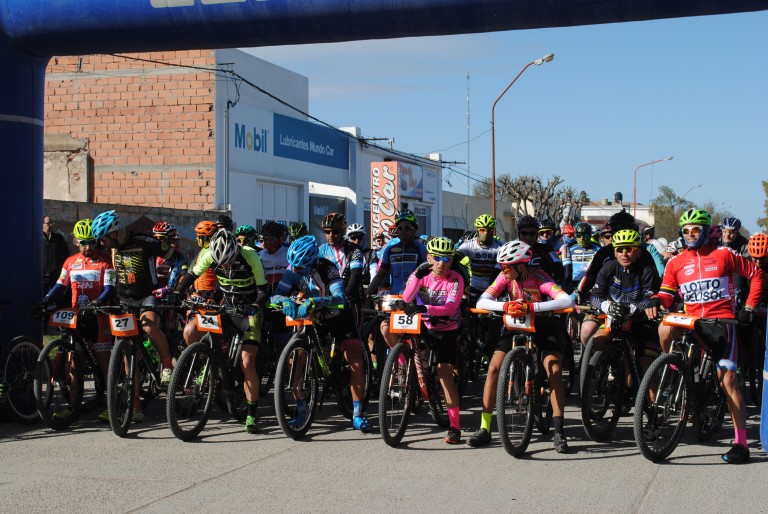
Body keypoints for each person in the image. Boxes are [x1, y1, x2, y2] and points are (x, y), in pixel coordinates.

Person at [645, 208, 764, 464]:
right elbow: (667, 293)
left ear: (706, 231)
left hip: (721, 322)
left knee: (728, 381)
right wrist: (656, 299)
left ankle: (741, 444)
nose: (690, 234)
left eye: (695, 230)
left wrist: (749, 307)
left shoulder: (724, 254)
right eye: (686, 230)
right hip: (692, 321)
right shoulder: (676, 262)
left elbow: (756, 275)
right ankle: (673, 367)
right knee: (664, 328)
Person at [468, 240, 573, 452]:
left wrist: (532, 307)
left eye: (507, 267)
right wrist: (506, 305)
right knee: (493, 368)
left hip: (543, 325)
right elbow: (482, 301)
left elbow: (566, 300)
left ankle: (559, 431)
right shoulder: (504, 277)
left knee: (553, 369)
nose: (503, 270)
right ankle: (484, 428)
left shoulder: (539, 276)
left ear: (521, 266)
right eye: (502, 266)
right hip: (515, 324)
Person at [173, 229, 269, 434]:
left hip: (249, 312)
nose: (225, 266)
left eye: (229, 261)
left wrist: (255, 306)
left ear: (237, 251)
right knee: (190, 330)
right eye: (220, 263)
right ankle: (209, 365)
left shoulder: (250, 256)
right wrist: (176, 292)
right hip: (226, 308)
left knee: (247, 362)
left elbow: (264, 290)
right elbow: (191, 275)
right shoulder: (210, 254)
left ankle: (251, 414)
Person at [271, 235, 372, 432]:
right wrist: (284, 301)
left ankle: (358, 414)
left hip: (338, 315)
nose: (297, 271)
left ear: (312, 261)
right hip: (314, 317)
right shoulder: (293, 269)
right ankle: (301, 409)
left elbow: (340, 297)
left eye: (301, 267)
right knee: (296, 359)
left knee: (354, 359)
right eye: (295, 267)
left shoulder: (328, 268)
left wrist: (316, 301)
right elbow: (276, 294)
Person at [91, 210, 177, 421]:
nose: (101, 244)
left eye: (103, 238)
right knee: (129, 353)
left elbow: (178, 258)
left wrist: (170, 287)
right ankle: (135, 406)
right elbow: (115, 276)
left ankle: (167, 363)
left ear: (114, 233)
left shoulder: (144, 241)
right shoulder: (113, 249)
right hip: (125, 300)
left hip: (148, 296)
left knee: (149, 326)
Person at [39, 218, 116, 422]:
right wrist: (45, 301)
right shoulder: (70, 262)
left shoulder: (106, 261)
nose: (87, 247)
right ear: (76, 242)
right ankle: (73, 407)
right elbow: (60, 286)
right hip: (77, 317)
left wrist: (97, 302)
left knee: (104, 363)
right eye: (83, 243)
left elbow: (110, 288)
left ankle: (111, 404)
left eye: (91, 242)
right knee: (74, 364)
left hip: (98, 317)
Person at [402, 236, 465, 444]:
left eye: (447, 259)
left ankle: (455, 427)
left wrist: (424, 308)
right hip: (422, 324)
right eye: (437, 258)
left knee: (444, 372)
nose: (442, 263)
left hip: (446, 328)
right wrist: (417, 277)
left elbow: (451, 307)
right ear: (429, 257)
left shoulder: (456, 278)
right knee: (388, 328)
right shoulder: (420, 273)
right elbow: (406, 298)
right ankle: (402, 365)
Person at [588, 229, 661, 387]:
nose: (624, 254)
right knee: (597, 341)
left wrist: (630, 308)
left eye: (629, 249)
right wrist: (608, 306)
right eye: (620, 250)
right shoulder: (608, 268)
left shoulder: (647, 270)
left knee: (645, 367)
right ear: (615, 252)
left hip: (641, 321)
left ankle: (652, 401)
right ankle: (611, 366)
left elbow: (649, 298)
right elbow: (594, 296)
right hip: (615, 317)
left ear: (638, 252)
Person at [367, 209, 427, 350]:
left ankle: (419, 358)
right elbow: (381, 274)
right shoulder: (390, 249)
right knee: (385, 328)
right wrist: (369, 290)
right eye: (399, 228)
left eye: (407, 228)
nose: (403, 231)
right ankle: (399, 358)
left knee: (416, 337)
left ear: (414, 230)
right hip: (396, 297)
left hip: (415, 298)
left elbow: (427, 275)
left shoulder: (421, 248)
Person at [319, 213, 365, 329]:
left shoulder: (354, 249)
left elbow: (355, 275)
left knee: (353, 336)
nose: (331, 235)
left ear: (343, 231)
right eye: (327, 232)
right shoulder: (322, 249)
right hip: (330, 298)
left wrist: (345, 296)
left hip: (351, 298)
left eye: (335, 231)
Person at [180, 220, 220, 347]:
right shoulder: (202, 251)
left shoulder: (216, 253)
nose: (197, 239)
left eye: (199, 236)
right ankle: (198, 354)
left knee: (192, 333)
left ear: (207, 238)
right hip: (196, 299)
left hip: (210, 301)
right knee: (189, 332)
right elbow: (192, 271)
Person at [562, 222, 600, 294]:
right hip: (573, 284)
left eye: (585, 235)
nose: (582, 238)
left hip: (591, 284)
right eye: (579, 235)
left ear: (590, 235)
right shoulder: (569, 248)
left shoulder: (598, 249)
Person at [42, 215, 71, 297]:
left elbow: (66, 254)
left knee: (57, 297)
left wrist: (62, 268)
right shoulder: (37, 238)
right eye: (49, 223)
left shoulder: (58, 238)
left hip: (56, 275)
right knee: (43, 298)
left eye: (52, 222)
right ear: (42, 225)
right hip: (42, 276)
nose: (51, 225)